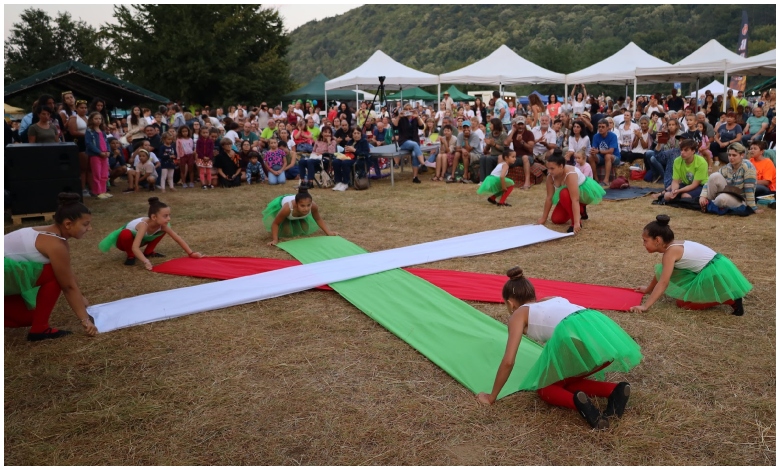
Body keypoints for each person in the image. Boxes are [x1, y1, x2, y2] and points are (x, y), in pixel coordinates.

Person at [476, 267, 641, 430]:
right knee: (565, 381)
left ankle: (584, 407)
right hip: (605, 339)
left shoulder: (518, 315)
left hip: (577, 341)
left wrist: (491, 397)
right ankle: (614, 390)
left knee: (545, 388)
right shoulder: (552, 298)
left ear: (511, 304)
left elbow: (508, 361)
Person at [5, 193, 98, 341]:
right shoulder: (56, 245)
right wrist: (85, 320)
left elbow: (67, 273)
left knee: (30, 318)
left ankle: (38, 326)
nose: (90, 228)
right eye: (85, 224)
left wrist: (81, 298)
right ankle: (40, 328)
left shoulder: (50, 233)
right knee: (53, 274)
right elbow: (67, 285)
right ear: (68, 224)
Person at [631, 215, 751, 315]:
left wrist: (645, 306)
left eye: (645, 240)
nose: (643, 244)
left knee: (683, 304)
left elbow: (663, 282)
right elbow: (662, 273)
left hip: (714, 272)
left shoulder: (670, 253)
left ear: (657, 240)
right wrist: (648, 289)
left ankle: (730, 299)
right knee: (668, 270)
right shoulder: (673, 246)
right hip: (715, 268)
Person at [99, 197, 202, 269]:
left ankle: (149, 252)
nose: (169, 218)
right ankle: (131, 256)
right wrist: (145, 262)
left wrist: (191, 253)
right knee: (125, 233)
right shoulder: (143, 225)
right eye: (165, 216)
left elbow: (177, 238)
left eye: (169, 215)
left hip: (142, 240)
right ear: (154, 217)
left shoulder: (163, 225)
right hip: (124, 242)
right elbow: (135, 247)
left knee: (163, 230)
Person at [538, 151, 605, 233]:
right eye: (548, 168)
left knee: (564, 193)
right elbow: (549, 198)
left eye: (552, 168)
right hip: (570, 195)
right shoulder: (550, 177)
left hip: (584, 192)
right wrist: (543, 218)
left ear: (561, 166)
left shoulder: (570, 174)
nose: (549, 171)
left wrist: (576, 223)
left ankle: (576, 220)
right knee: (556, 219)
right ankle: (581, 209)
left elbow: (575, 199)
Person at [263, 187, 338, 245]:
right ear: (296, 204)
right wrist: (275, 240)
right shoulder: (287, 208)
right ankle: (288, 221)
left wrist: (329, 232)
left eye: (308, 205)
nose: (306, 209)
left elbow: (318, 219)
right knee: (286, 232)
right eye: (302, 206)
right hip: (283, 209)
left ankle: (296, 220)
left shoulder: (313, 206)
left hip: (296, 212)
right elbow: (276, 223)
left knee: (305, 230)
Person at [699, 143, 758, 211]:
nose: (731, 158)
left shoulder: (748, 167)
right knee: (714, 176)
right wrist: (703, 196)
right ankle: (708, 202)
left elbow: (749, 189)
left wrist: (752, 208)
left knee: (721, 199)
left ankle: (709, 204)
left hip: (741, 199)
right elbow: (710, 181)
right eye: (729, 155)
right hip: (728, 192)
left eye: (734, 155)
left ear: (742, 155)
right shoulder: (728, 166)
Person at [391, 105, 425, 184]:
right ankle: (423, 164)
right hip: (404, 141)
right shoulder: (402, 119)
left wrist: (417, 117)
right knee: (415, 144)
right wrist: (399, 116)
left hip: (414, 140)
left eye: (410, 109)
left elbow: (422, 126)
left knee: (414, 154)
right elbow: (394, 127)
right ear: (403, 110)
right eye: (406, 109)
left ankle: (415, 177)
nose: (408, 111)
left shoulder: (415, 119)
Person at [84, 111, 111, 199]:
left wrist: (108, 151)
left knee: (104, 173)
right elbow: (89, 144)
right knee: (97, 174)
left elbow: (106, 142)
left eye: (100, 119)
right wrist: (99, 152)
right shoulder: (89, 131)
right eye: (96, 118)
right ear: (91, 119)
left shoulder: (102, 131)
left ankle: (103, 190)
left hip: (104, 155)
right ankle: (97, 191)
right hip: (96, 155)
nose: (98, 120)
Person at [589, 118, 621, 186]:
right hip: (601, 157)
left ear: (607, 128)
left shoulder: (613, 136)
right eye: (599, 127)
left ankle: (606, 180)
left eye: (603, 127)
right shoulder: (596, 136)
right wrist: (593, 151)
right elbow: (594, 148)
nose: (600, 129)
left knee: (607, 156)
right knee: (591, 157)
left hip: (614, 157)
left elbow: (611, 151)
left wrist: (598, 151)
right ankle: (596, 179)